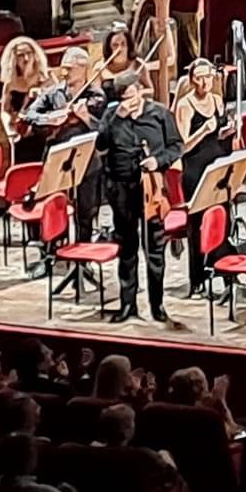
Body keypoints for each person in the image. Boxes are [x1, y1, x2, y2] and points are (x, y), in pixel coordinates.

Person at [95, 73, 179, 322]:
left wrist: (158, 160)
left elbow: (176, 146)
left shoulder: (160, 113)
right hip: (121, 187)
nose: (127, 102)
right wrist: (117, 120)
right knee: (127, 248)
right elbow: (100, 144)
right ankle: (127, 304)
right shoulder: (112, 114)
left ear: (141, 91)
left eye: (130, 96)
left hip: (151, 189)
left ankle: (157, 305)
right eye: (122, 97)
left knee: (154, 250)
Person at [20, 47, 106, 284]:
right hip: (58, 159)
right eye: (64, 67)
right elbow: (29, 114)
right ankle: (50, 256)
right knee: (54, 208)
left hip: (87, 161)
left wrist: (86, 117)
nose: (66, 71)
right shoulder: (53, 93)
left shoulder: (95, 96)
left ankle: (83, 260)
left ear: (83, 69)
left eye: (71, 67)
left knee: (86, 212)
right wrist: (51, 118)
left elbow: (104, 131)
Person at [174, 59, 235, 297]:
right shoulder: (185, 105)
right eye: (199, 77)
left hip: (217, 164)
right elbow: (183, 147)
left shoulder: (218, 100)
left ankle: (223, 270)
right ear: (191, 80)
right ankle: (197, 277)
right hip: (195, 169)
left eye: (208, 76)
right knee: (198, 223)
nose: (204, 82)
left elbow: (217, 136)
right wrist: (203, 131)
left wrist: (226, 132)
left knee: (222, 217)